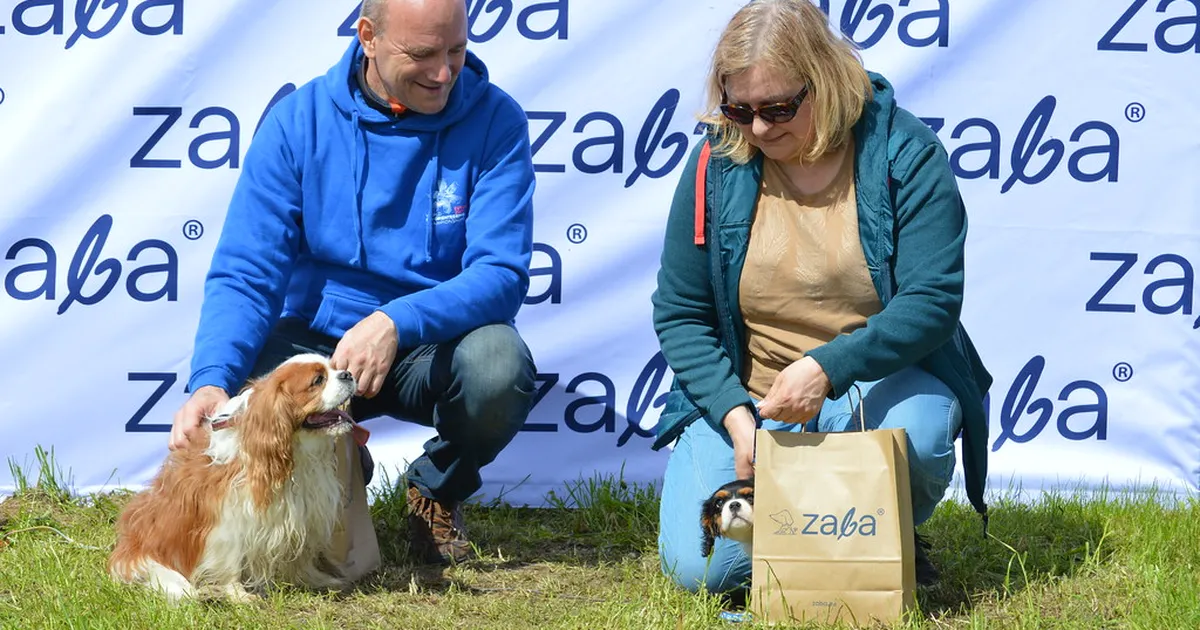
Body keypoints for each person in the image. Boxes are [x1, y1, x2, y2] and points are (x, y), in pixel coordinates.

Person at [167, 0, 538, 566]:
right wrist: (211, 381)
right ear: (368, 36)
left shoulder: (496, 121)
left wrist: (394, 321)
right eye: (423, 55)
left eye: (457, 51)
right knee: (246, 391)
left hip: (428, 345)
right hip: (314, 346)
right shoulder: (298, 122)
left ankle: (434, 491)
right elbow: (247, 273)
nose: (444, 73)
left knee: (498, 366)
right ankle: (340, 473)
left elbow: (501, 275)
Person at [650, 0, 992, 593]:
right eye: (739, 108)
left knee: (923, 434)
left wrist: (826, 368)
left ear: (826, 80)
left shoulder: (905, 153)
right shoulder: (715, 159)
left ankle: (880, 533)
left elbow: (933, 300)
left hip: (867, 384)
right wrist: (735, 416)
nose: (758, 128)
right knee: (703, 569)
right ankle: (845, 538)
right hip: (750, 401)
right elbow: (680, 312)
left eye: (779, 108)